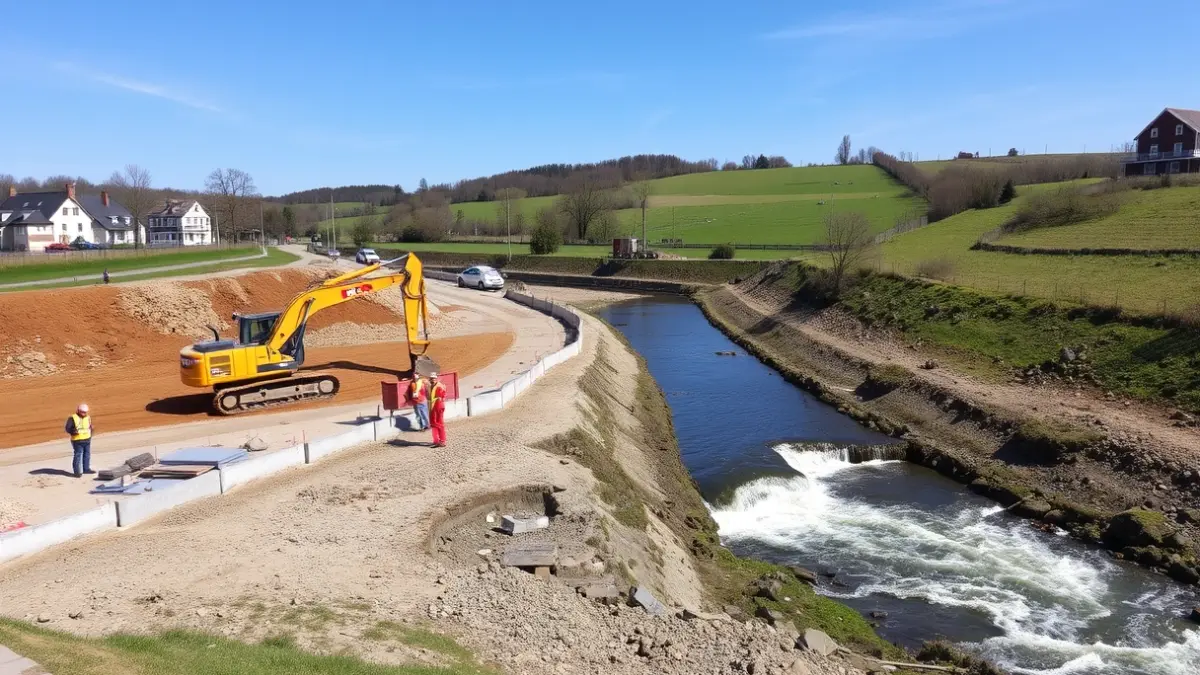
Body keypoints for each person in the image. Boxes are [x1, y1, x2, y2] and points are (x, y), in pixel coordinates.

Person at [65, 403, 94, 478]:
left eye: (85, 412)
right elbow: (68, 428)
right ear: (78, 410)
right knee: (78, 455)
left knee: (87, 454)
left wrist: (91, 433)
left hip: (87, 439)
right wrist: (73, 432)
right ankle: (77, 472)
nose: (84, 413)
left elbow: (90, 427)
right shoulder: (72, 418)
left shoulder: (88, 417)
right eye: (82, 412)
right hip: (77, 440)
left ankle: (86, 469)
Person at [428, 372, 447, 448]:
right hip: (434, 407)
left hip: (438, 406)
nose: (432, 380)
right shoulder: (432, 386)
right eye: (431, 378)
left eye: (434, 378)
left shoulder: (439, 386)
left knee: (439, 424)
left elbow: (440, 397)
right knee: (434, 424)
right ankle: (437, 440)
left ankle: (442, 441)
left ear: (436, 379)